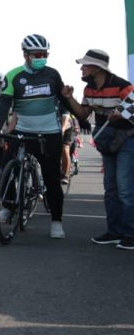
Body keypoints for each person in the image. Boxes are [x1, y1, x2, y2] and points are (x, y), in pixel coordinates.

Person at [0, 34, 70, 239]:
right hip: (22, 131)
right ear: (25, 54)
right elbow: (4, 105)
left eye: (45, 54)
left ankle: (56, 221)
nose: (41, 57)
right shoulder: (14, 75)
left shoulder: (53, 74)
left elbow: (64, 100)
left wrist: (81, 117)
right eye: (37, 54)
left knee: (52, 179)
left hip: (49, 133)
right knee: (6, 171)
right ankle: (8, 206)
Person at [62, 48, 134, 250]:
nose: (82, 68)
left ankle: (130, 233)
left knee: (125, 189)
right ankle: (114, 232)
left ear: (97, 68)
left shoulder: (123, 86)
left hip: (128, 139)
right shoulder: (89, 90)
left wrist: (122, 115)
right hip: (107, 141)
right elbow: (83, 115)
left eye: (85, 65)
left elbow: (133, 110)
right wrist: (69, 98)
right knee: (110, 189)